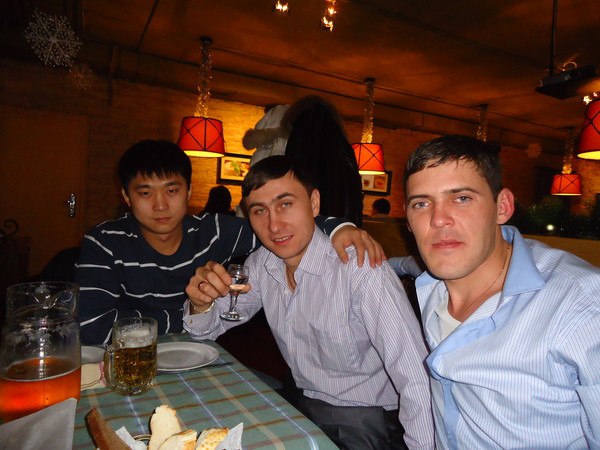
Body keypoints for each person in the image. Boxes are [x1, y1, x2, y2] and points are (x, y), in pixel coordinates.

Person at [183, 155, 434, 450]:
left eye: (285, 204)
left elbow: (415, 376)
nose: (274, 225)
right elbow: (205, 331)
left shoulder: (361, 271)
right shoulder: (263, 263)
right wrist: (200, 303)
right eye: (260, 210)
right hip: (301, 402)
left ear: (314, 203)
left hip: (365, 419)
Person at [75, 140, 384, 345]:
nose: (160, 205)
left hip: (197, 353)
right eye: (145, 193)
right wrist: (185, 313)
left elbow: (276, 228)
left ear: (188, 191)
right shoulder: (105, 242)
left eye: (171, 190)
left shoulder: (213, 231)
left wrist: (337, 226)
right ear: (126, 196)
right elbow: (92, 327)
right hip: (131, 358)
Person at [403, 135, 600, 449]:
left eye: (462, 198)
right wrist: (338, 230)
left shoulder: (583, 304)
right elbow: (397, 264)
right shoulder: (431, 284)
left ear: (502, 207)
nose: (438, 219)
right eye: (421, 203)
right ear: (409, 220)